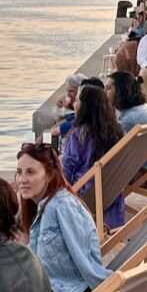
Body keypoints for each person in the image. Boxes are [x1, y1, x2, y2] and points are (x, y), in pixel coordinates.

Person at [17, 142, 111, 292]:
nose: (22, 179)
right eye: (19, 172)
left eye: (30, 172)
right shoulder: (43, 206)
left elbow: (84, 258)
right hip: (53, 291)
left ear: (50, 175)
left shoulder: (61, 206)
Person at [61, 81, 126, 228]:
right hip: (111, 189)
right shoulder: (117, 132)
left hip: (86, 191)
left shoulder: (79, 135)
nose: (74, 104)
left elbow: (66, 172)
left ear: (85, 106)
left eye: (77, 100)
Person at [50, 73, 87, 142]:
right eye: (67, 91)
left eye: (71, 91)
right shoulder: (70, 107)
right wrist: (60, 108)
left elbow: (56, 129)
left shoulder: (80, 114)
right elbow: (58, 124)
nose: (68, 94)